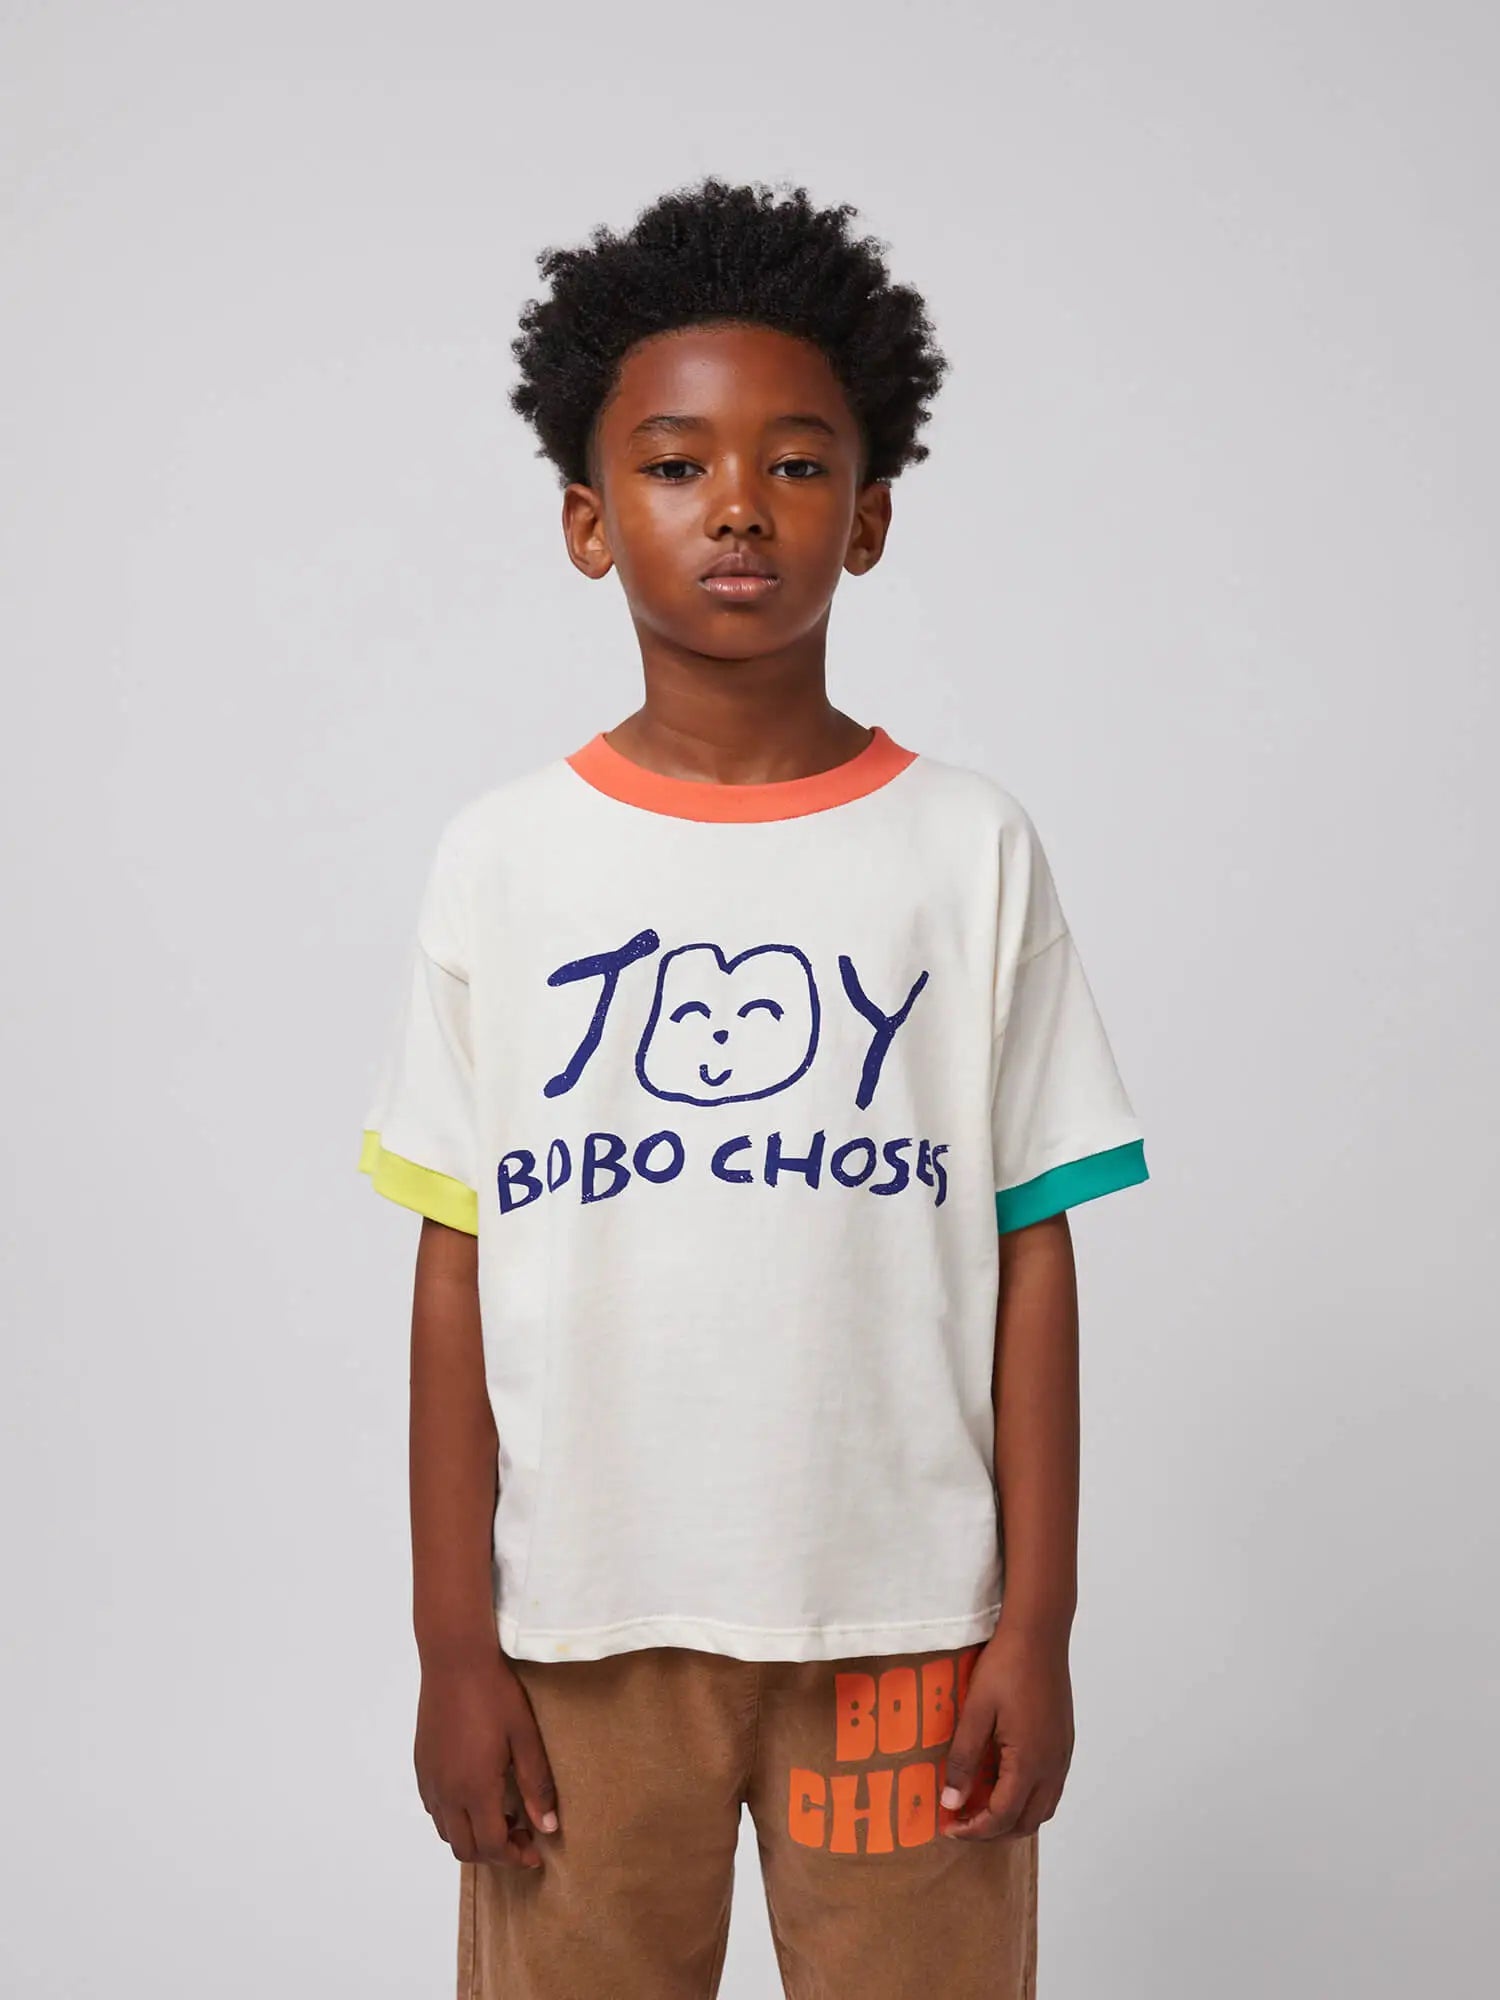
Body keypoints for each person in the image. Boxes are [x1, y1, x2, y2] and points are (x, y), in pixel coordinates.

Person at [358, 175, 1150, 2000]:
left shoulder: (967, 849)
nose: (737, 505)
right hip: (582, 1634)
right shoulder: (504, 860)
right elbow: (455, 1264)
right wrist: (453, 1649)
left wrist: (1038, 1624)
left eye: (796, 465)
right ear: (589, 518)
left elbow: (1033, 1249)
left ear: (868, 517)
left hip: (911, 1633)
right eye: (674, 464)